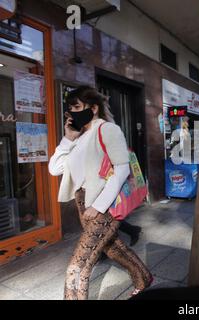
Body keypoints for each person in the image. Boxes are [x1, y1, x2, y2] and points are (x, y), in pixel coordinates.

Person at [49, 86, 152, 300]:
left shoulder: (107, 129)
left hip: (103, 203)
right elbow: (55, 169)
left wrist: (98, 206)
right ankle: (143, 278)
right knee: (113, 248)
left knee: (78, 265)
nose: (73, 112)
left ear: (93, 108)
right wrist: (67, 139)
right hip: (82, 201)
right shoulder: (78, 136)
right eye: (70, 108)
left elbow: (122, 168)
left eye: (77, 107)